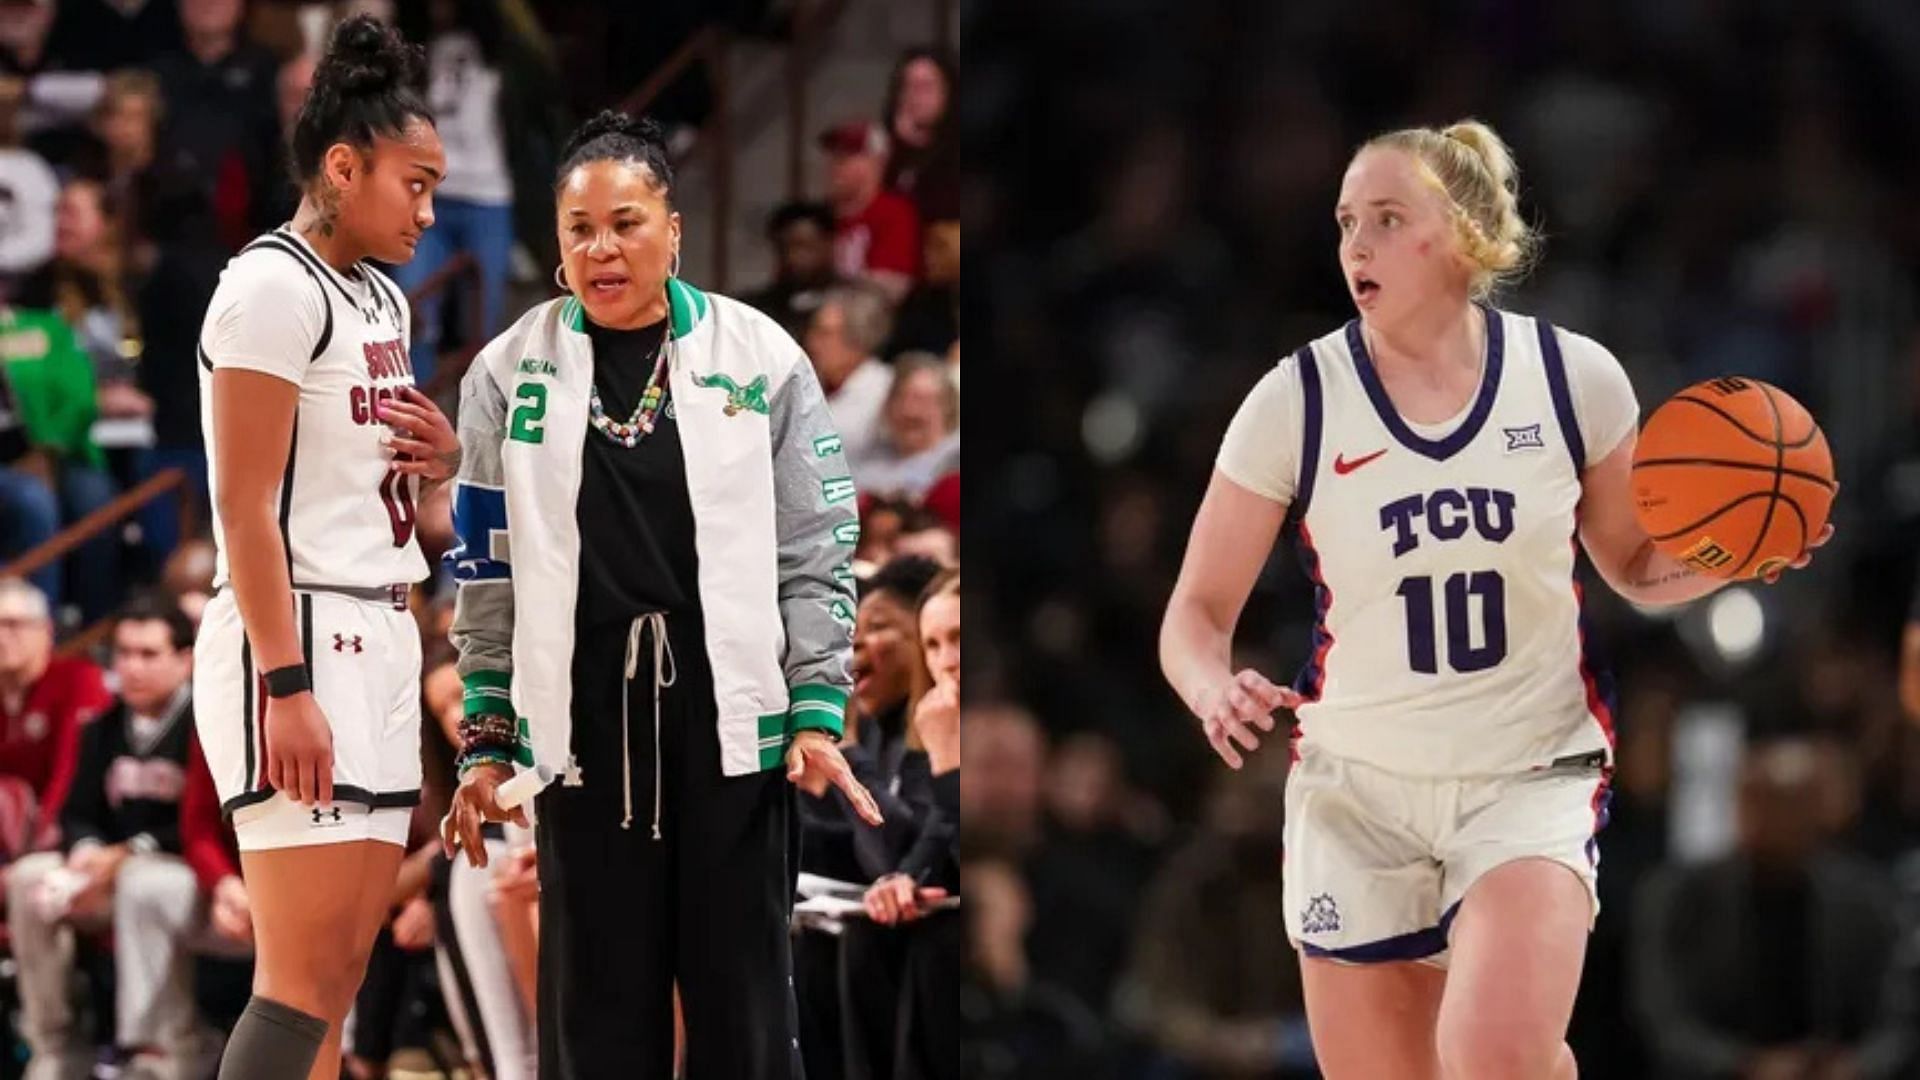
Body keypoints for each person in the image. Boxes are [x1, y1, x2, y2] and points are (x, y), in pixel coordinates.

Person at [1157, 119, 1833, 1080]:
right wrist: (1208, 688)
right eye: (1347, 221)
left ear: (1466, 233)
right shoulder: (1295, 399)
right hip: (1362, 790)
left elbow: (1637, 567)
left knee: (1494, 1056)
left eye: (1388, 219)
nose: (1356, 245)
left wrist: (1742, 554)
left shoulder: (1572, 379)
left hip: (1527, 774)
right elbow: (1195, 613)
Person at [440, 109, 882, 1080]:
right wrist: (485, 730)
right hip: (581, 723)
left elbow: (816, 545)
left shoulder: (761, 355)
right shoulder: (505, 370)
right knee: (594, 1015)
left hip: (731, 717)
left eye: (626, 222)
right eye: (579, 229)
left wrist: (817, 708)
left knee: (744, 1011)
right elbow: (485, 562)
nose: (602, 248)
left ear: (672, 229)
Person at [190, 17, 458, 1080]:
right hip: (296, 633)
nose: (429, 212)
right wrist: (285, 681)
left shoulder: (383, 296)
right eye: (416, 184)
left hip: (382, 627)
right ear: (343, 167)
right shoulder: (268, 287)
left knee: (337, 978)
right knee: (296, 983)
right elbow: (243, 504)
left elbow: (353, 467)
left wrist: (437, 458)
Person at [9, 596, 205, 1080]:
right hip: (113, 874)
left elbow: (206, 825)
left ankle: (160, 1050)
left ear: (185, 659)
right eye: (123, 653)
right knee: (28, 879)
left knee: (144, 881)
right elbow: (77, 814)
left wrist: (128, 852)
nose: (132, 668)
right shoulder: (103, 726)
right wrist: (88, 853)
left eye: (148, 654)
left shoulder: (208, 721)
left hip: (189, 875)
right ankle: (54, 1044)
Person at [0, 578, 112, 857]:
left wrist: (41, 838)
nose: (2, 637)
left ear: (45, 630)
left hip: (68, 832)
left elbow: (72, 769)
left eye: (13, 624)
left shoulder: (79, 680)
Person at [821, 118, 920, 304]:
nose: (835, 166)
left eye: (846, 157)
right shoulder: (825, 216)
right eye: (833, 156)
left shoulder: (893, 212)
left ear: (877, 162)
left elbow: (894, 288)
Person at [739, 199, 844, 340]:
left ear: (829, 245)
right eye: (783, 248)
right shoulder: (755, 309)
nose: (792, 257)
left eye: (804, 246)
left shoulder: (857, 303)